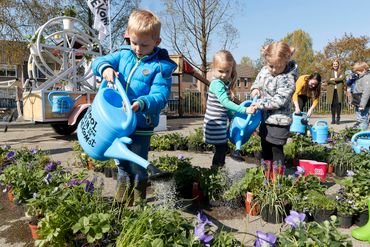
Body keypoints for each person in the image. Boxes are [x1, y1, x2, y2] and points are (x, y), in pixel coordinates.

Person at [92, 9, 177, 203]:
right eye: (133, 42)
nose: (138, 48)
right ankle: (122, 201)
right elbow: (98, 61)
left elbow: (160, 95)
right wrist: (105, 68)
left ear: (157, 42)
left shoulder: (160, 67)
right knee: (121, 163)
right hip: (119, 122)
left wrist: (141, 103)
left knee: (138, 164)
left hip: (141, 123)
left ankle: (139, 202)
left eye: (144, 44)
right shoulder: (123, 55)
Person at [246, 41, 298, 165]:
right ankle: (267, 178)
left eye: (278, 66)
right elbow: (257, 83)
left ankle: (278, 180)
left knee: (276, 150)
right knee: (266, 149)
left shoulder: (288, 78)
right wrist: (255, 90)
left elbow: (279, 100)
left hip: (279, 121)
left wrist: (260, 104)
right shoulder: (265, 70)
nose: (274, 70)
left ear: (286, 61)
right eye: (271, 66)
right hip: (265, 119)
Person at [203, 50, 249, 167]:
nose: (224, 74)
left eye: (227, 71)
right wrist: (243, 110)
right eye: (220, 71)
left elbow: (225, 108)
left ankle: (218, 170)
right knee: (221, 148)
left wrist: (232, 116)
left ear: (231, 69)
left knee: (222, 148)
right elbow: (225, 102)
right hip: (215, 124)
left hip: (219, 123)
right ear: (213, 68)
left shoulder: (224, 84)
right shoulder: (217, 84)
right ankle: (216, 170)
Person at [351, 62, 370, 130]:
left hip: (363, 104)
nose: (356, 73)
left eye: (358, 71)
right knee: (359, 119)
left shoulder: (366, 78)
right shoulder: (360, 77)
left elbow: (367, 92)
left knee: (363, 120)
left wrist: (362, 104)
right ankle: (360, 133)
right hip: (358, 101)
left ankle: (363, 134)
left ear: (364, 70)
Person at [326, 60, 345, 124]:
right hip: (331, 90)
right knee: (332, 104)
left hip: (339, 90)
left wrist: (333, 79)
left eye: (336, 64)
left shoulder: (341, 71)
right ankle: (333, 119)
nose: (335, 65)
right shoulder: (329, 71)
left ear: (338, 65)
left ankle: (338, 119)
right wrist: (337, 80)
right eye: (334, 64)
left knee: (338, 104)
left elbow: (342, 78)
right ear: (332, 65)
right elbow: (328, 80)